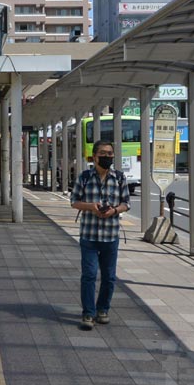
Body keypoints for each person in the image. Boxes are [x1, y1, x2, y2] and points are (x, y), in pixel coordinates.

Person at [70, 140, 130, 331]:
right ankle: (88, 313)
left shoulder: (119, 178)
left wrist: (114, 210)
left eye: (110, 154)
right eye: (103, 154)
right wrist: (91, 207)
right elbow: (74, 201)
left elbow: (126, 203)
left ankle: (102, 309)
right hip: (89, 234)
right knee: (89, 275)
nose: (107, 157)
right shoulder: (85, 177)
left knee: (109, 276)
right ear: (95, 157)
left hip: (111, 236)